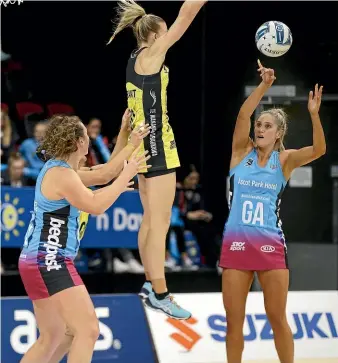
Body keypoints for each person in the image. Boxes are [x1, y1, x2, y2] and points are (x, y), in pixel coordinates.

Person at [18, 113, 150, 363]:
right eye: (87, 136)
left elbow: (105, 174)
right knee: (87, 330)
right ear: (79, 142)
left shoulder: (62, 170)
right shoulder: (63, 174)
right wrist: (126, 175)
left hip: (34, 260)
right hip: (50, 259)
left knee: (57, 336)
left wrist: (126, 136)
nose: (89, 140)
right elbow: (96, 204)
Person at [219, 60, 326, 363]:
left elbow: (319, 150)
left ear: (278, 134)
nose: (260, 128)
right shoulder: (241, 153)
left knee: (277, 318)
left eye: (267, 126)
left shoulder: (286, 161)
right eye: (259, 124)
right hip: (236, 245)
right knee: (234, 323)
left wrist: (314, 116)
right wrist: (264, 85)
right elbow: (243, 114)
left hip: (270, 245)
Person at [108, 0, 207, 320]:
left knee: (150, 219)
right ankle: (160, 291)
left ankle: (152, 286)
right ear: (152, 36)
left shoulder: (134, 58)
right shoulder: (151, 54)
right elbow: (187, 14)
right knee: (160, 221)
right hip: (157, 143)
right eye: (164, 34)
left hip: (143, 144)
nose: (168, 38)